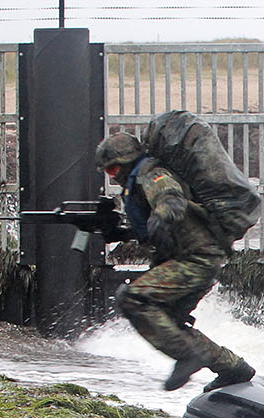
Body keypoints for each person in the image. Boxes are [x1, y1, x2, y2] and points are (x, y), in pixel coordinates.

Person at [95, 131, 255, 392]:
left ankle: (188, 356)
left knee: (133, 298)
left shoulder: (151, 174)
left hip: (195, 259)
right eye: (108, 172)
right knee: (170, 323)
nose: (113, 176)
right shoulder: (136, 183)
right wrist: (121, 232)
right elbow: (155, 228)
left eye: (114, 169)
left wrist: (161, 215)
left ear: (127, 161)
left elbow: (170, 199)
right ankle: (234, 368)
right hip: (195, 257)